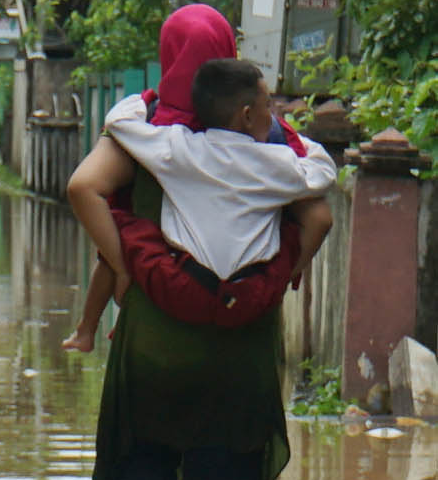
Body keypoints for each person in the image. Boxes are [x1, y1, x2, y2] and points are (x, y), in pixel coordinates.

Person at [66, 5, 334, 480]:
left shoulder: (148, 129)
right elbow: (318, 213)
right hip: (239, 344)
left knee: (142, 447)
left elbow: (84, 187)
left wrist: (126, 265)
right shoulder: (266, 140)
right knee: (226, 464)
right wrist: (281, 275)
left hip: (156, 336)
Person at [65, 58, 335, 347]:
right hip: (251, 299)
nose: (271, 116)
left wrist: (148, 98)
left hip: (183, 293)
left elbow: (120, 122)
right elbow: (325, 172)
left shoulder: (180, 148)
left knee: (121, 221)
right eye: (267, 106)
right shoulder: (277, 163)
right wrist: (294, 140)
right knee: (290, 233)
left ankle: (100, 317)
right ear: (246, 115)